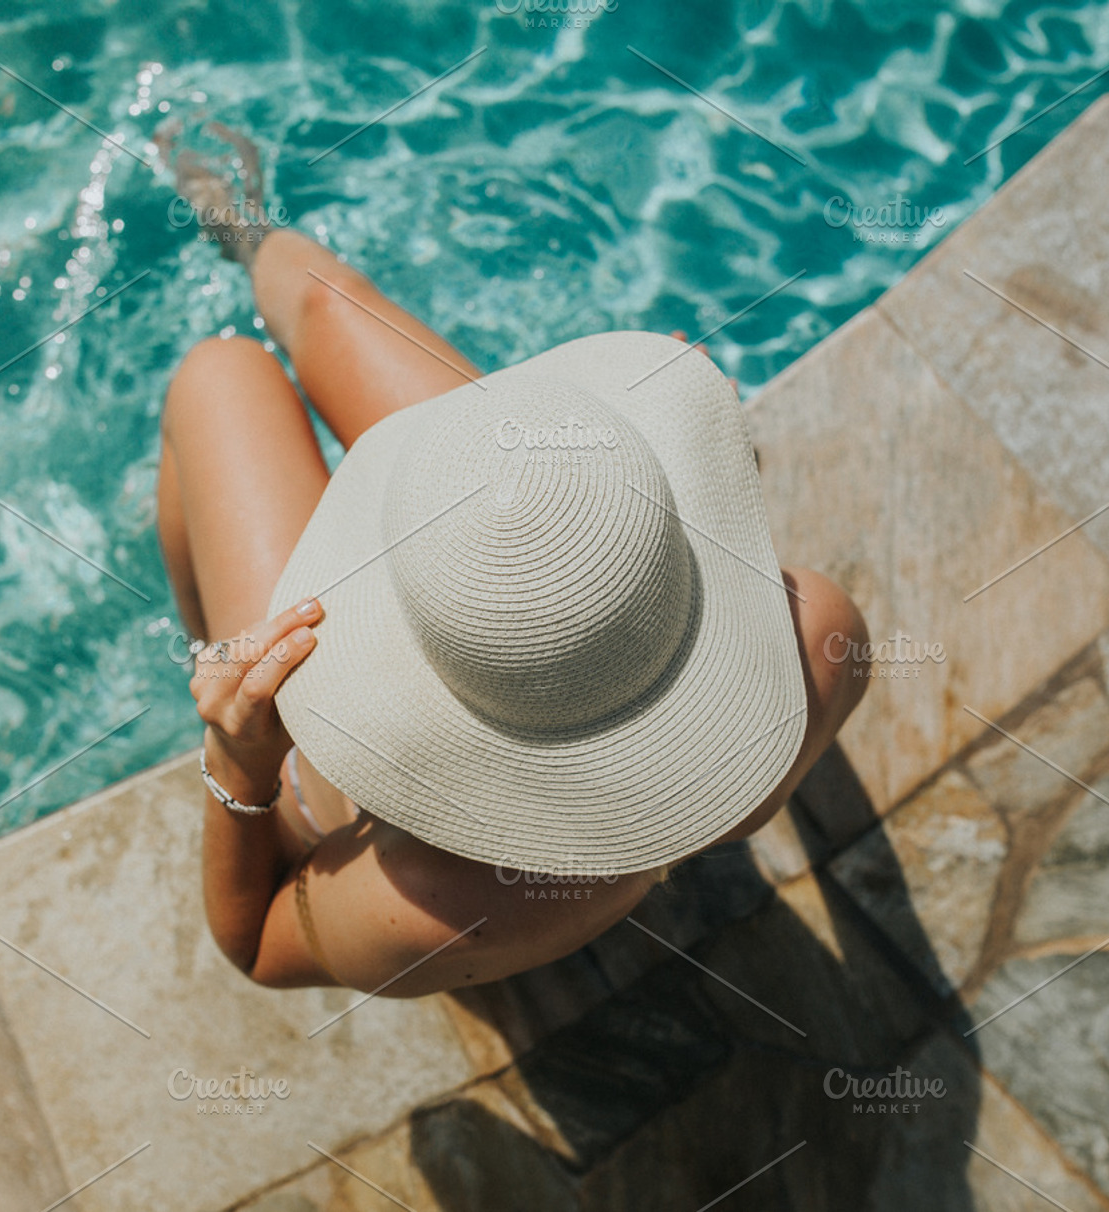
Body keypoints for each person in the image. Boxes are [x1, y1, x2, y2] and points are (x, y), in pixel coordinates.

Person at [153, 123, 869, 998]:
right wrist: (698, 477)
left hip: (339, 782)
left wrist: (240, 759)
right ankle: (250, 233)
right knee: (328, 301)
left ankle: (216, 660)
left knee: (218, 374)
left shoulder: (445, 902)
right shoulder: (823, 635)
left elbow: (256, 948)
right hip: (580, 688)